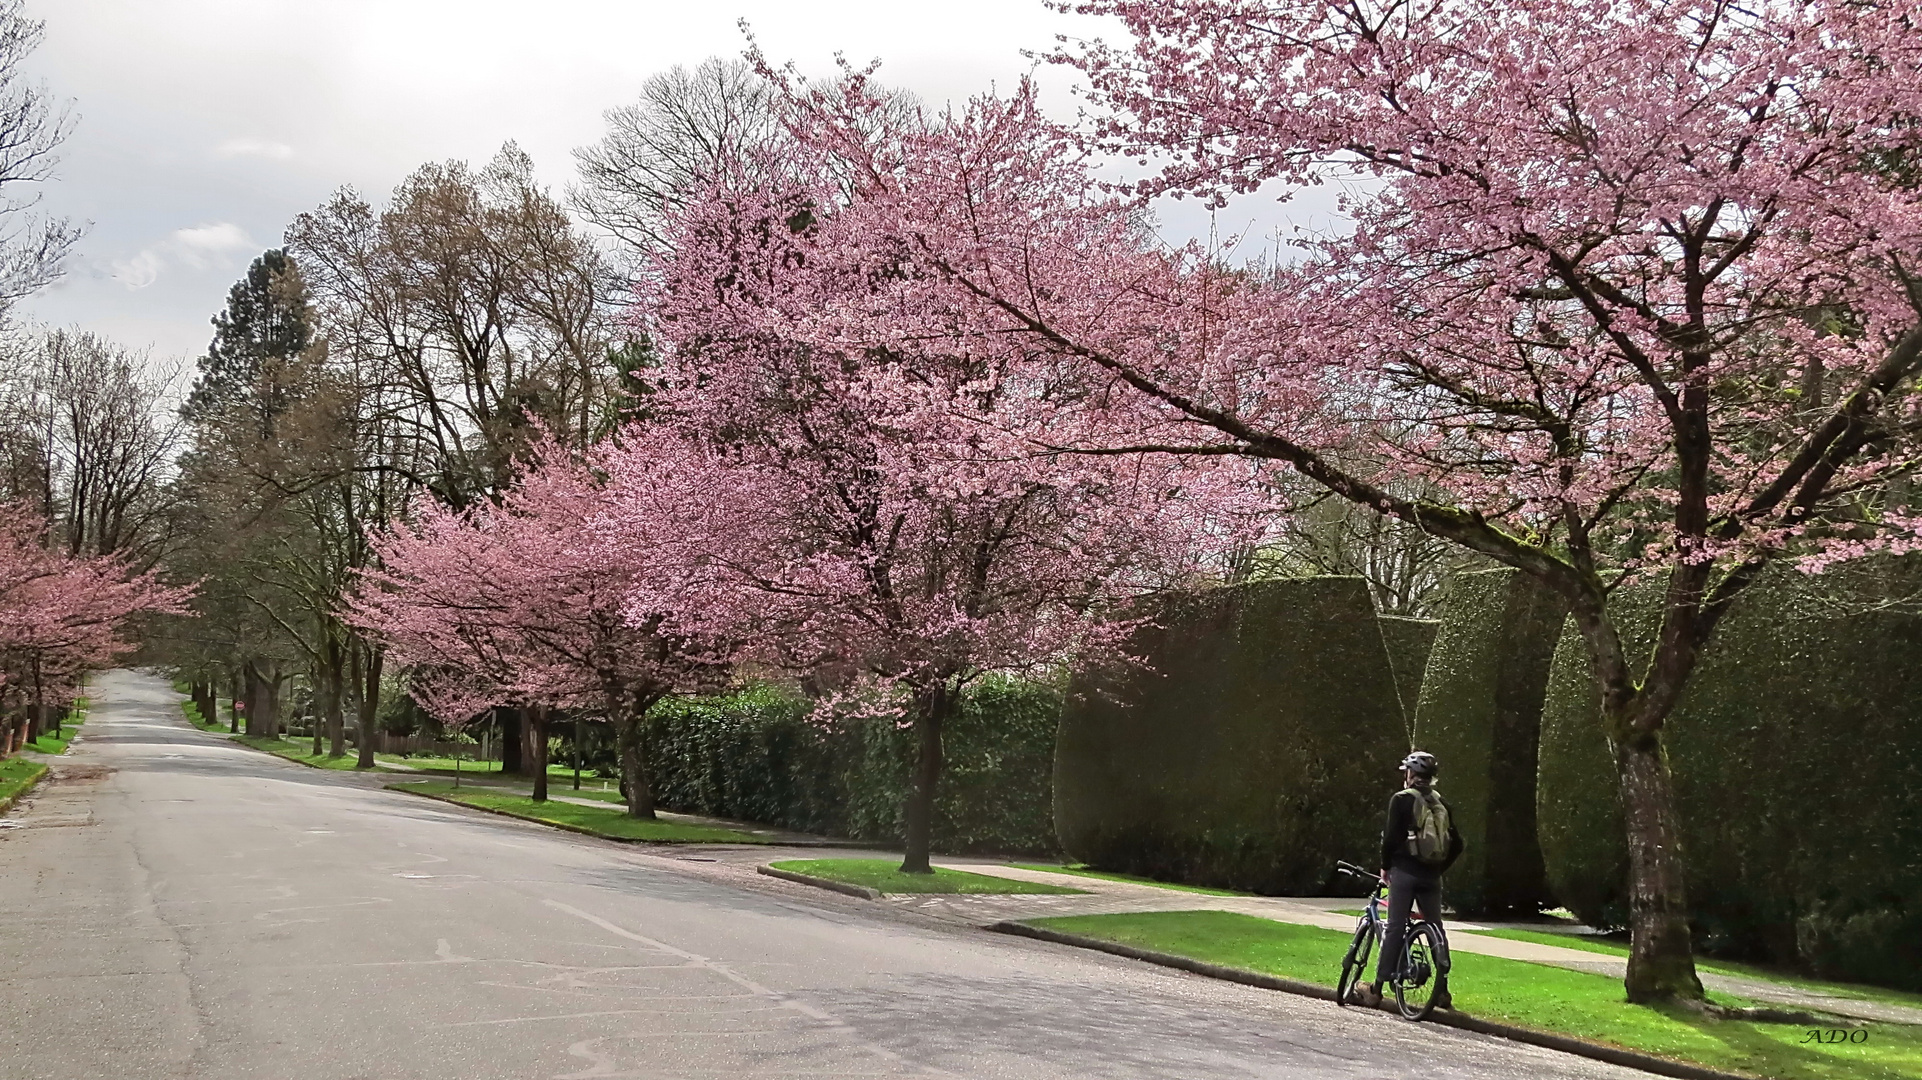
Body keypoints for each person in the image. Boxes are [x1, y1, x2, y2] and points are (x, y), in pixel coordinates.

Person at [1354, 750, 1462, 1009]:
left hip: (1404, 873)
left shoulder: (1401, 800)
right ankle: (1442, 991)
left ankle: (1376, 989)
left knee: (1395, 926)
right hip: (1432, 877)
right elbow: (1458, 843)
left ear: (1411, 775)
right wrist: (1439, 867)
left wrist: (1385, 867)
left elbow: (1391, 839)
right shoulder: (1442, 804)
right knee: (1436, 928)